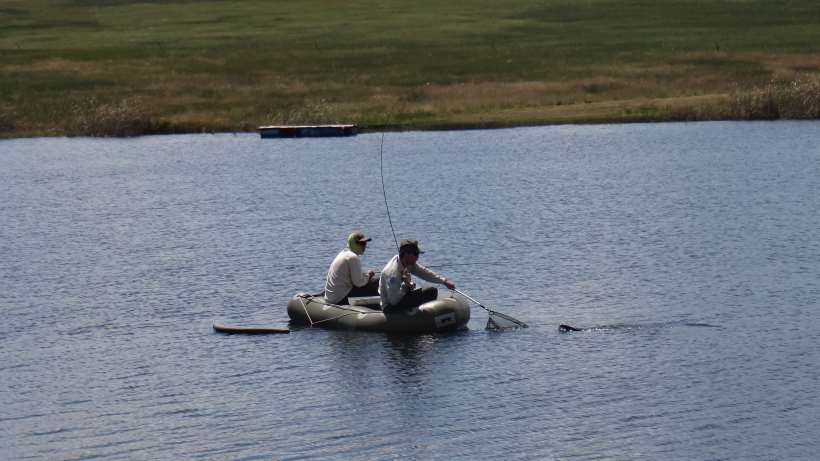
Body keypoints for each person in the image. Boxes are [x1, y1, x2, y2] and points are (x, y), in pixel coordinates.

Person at [379, 239, 456, 312]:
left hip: (401, 297)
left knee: (431, 291)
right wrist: (405, 286)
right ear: (406, 254)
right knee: (428, 293)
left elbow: (424, 273)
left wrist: (444, 281)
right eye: (415, 254)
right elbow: (393, 301)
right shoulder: (392, 274)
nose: (417, 257)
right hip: (390, 306)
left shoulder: (407, 263)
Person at [324, 231, 379, 305]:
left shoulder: (343, 253)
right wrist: (368, 275)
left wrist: (366, 276)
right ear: (352, 243)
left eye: (365, 243)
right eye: (361, 243)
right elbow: (359, 283)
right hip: (340, 299)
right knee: (377, 281)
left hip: (332, 298)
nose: (364, 246)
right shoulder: (352, 257)